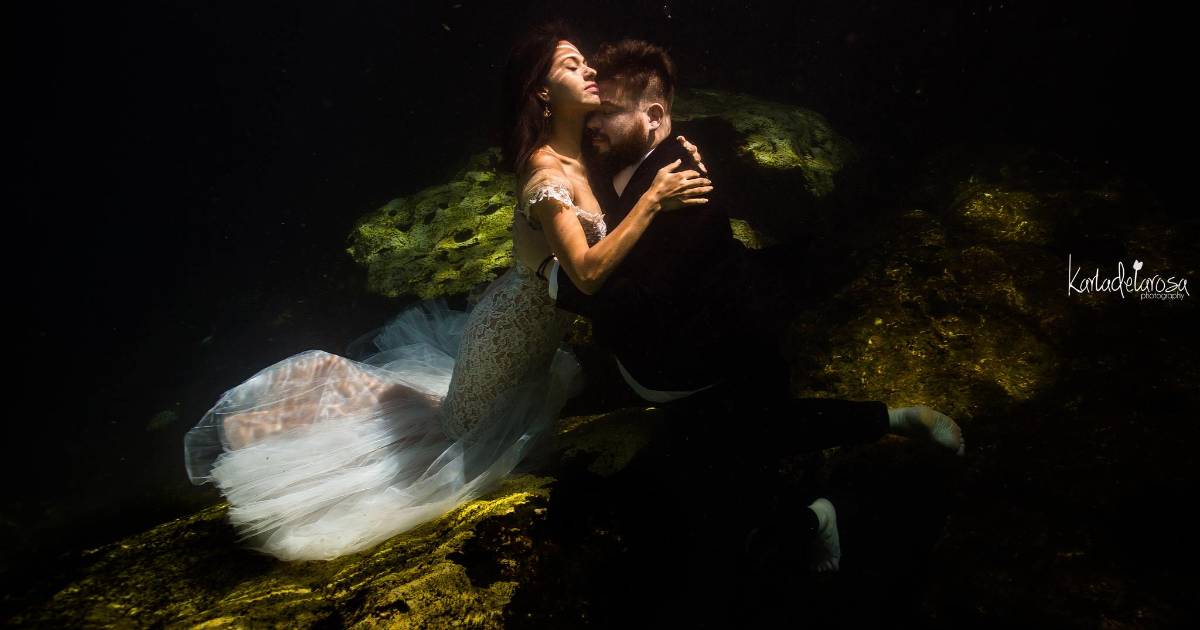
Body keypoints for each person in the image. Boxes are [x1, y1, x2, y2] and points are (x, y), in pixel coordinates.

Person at [181, 22, 710, 561]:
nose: (591, 70)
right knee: (453, 438)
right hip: (503, 344)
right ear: (542, 93)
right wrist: (653, 200)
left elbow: (631, 154)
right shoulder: (545, 173)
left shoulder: (582, 156)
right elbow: (587, 274)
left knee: (447, 424)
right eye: (572, 66)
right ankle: (268, 435)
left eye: (585, 61)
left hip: (527, 339)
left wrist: (670, 146)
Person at [532, 39, 967, 574]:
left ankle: (864, 462)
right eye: (592, 111)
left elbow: (632, 302)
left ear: (654, 117)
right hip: (697, 334)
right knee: (737, 460)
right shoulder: (616, 157)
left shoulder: (688, 191)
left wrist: (556, 279)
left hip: (704, 357)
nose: (592, 124)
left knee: (729, 478)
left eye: (608, 113)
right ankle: (840, 485)